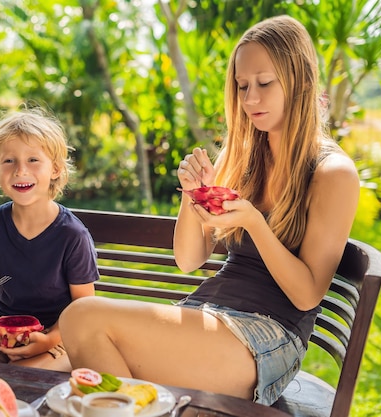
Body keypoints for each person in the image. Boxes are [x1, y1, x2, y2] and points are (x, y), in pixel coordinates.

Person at [59, 15, 360, 405]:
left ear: (300, 81)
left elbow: (306, 296)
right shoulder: (250, 156)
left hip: (265, 338)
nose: (250, 99)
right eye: (242, 86)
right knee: (83, 338)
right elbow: (188, 259)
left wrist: (254, 221)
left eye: (264, 83)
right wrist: (191, 195)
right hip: (208, 315)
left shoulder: (332, 173)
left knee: (83, 320)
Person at [0, 106, 99, 371]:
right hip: (1, 330)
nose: (20, 170)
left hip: (61, 333)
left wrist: (49, 340)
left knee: (30, 375)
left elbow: (83, 306)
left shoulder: (72, 234)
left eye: (33, 160)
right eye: (9, 161)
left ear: (55, 169)